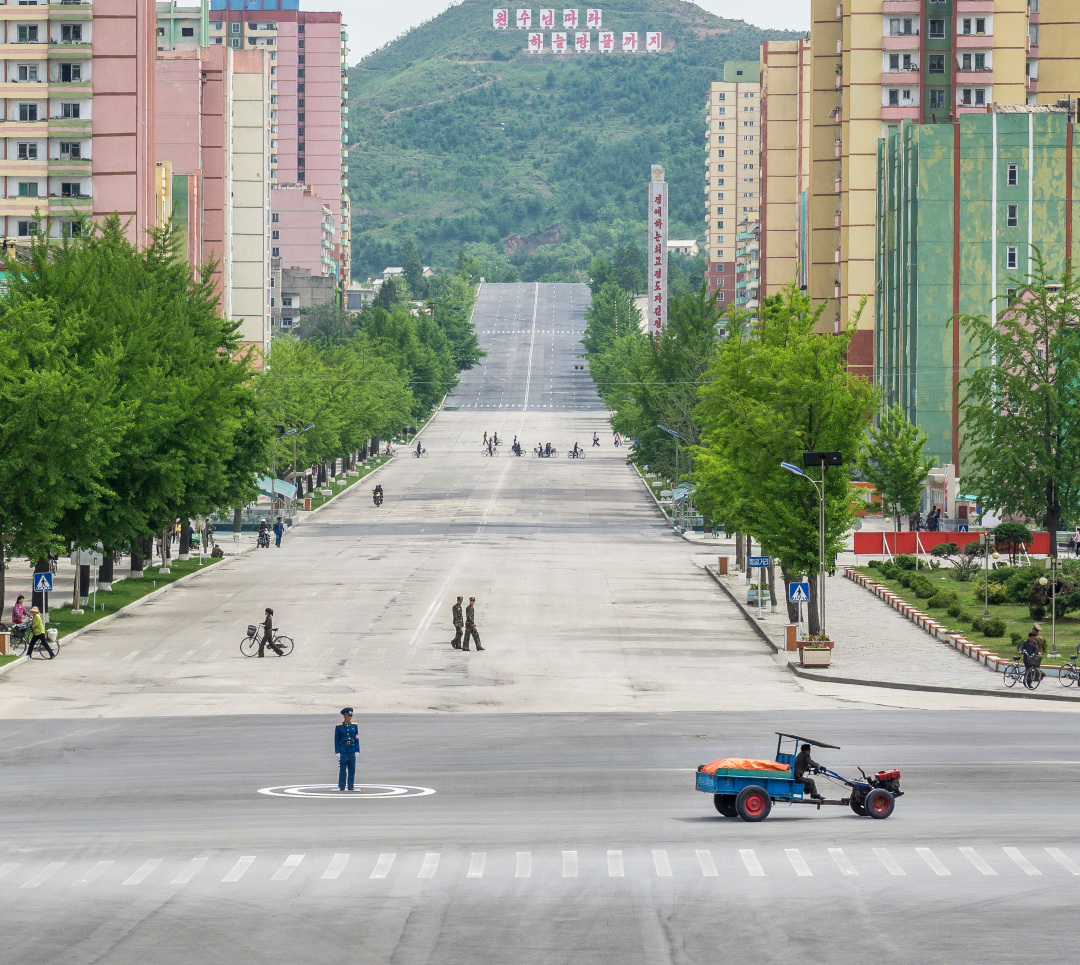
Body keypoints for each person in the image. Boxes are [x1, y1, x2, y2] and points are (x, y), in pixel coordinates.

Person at [334, 707, 360, 792]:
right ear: (344, 716)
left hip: (352, 749)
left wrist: (357, 750)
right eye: (348, 715)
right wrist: (337, 752)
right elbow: (336, 740)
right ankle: (341, 785)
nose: (350, 717)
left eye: (351, 715)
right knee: (342, 769)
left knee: (352, 769)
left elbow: (357, 739)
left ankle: (350, 785)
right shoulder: (339, 727)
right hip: (343, 749)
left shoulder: (354, 726)